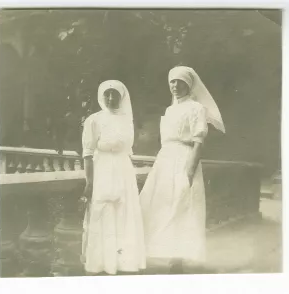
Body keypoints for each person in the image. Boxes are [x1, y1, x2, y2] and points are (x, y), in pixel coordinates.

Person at [139, 66, 225, 274]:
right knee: (160, 204)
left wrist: (189, 170)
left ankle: (178, 259)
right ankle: (165, 252)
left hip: (185, 159)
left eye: (180, 82)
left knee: (182, 205)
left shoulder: (196, 108)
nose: (175, 86)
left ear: (189, 85)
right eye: (172, 82)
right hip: (165, 160)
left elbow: (198, 142)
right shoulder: (169, 110)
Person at [81, 80, 146, 275]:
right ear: (102, 96)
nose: (110, 98)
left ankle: (122, 262)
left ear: (121, 98)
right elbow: (87, 152)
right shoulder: (94, 119)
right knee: (104, 210)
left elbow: (127, 149)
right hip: (102, 168)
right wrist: (89, 182)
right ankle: (102, 262)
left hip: (123, 169)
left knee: (124, 211)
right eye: (107, 94)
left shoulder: (127, 120)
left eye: (115, 95)